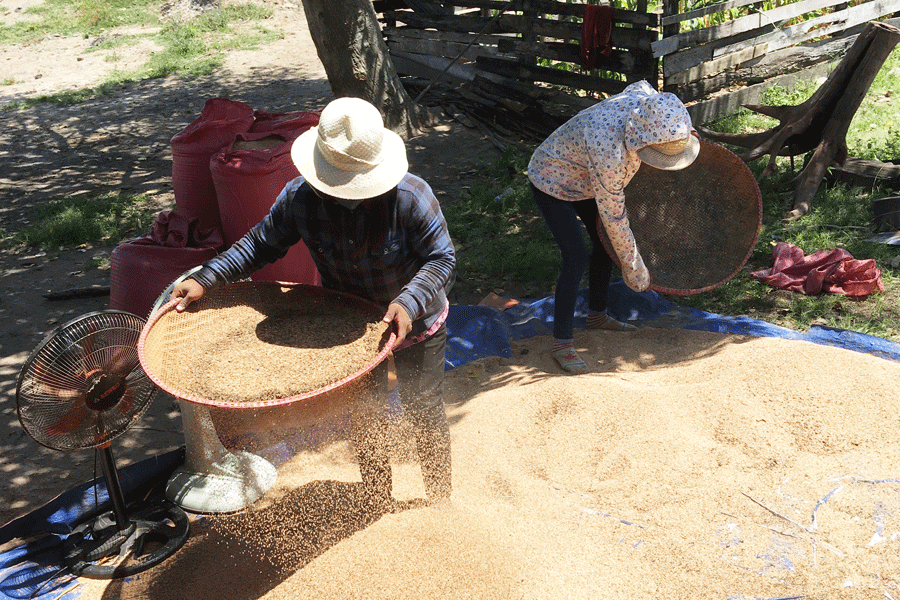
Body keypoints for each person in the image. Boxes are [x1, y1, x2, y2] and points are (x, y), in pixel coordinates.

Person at [170, 96, 456, 510]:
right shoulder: (300, 198)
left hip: (418, 318)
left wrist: (409, 303)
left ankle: (440, 501)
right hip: (349, 324)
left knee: (423, 408)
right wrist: (206, 278)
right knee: (366, 412)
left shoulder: (412, 197)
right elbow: (258, 244)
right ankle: (376, 499)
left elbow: (442, 258)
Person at [527, 80, 700, 374]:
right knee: (576, 256)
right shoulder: (610, 154)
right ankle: (563, 344)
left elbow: (642, 84)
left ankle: (597, 315)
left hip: (584, 177)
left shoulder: (647, 103)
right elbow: (615, 218)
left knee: (604, 245)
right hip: (552, 178)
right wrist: (634, 268)